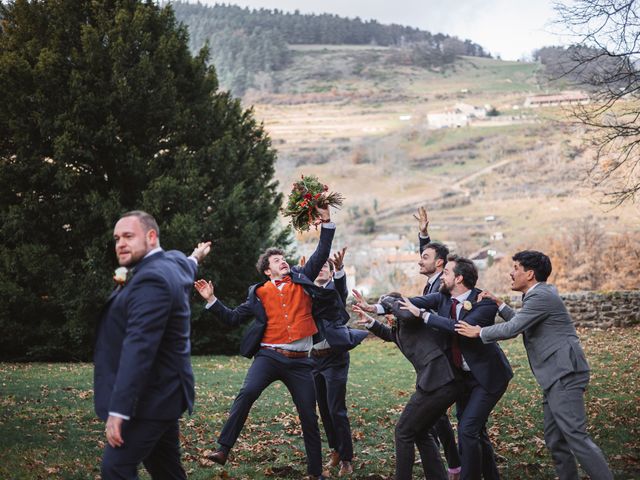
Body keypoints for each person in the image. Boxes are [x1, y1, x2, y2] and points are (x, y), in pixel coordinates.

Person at [194, 206, 348, 480]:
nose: (283, 262)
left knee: (309, 418)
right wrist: (210, 300)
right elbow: (231, 318)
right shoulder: (258, 293)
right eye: (276, 261)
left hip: (301, 363)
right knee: (247, 393)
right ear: (267, 271)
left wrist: (326, 221)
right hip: (268, 357)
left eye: (283, 258)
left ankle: (315, 473)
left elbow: (321, 253)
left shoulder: (302, 280)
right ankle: (223, 449)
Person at [455, 250, 613, 480]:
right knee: (555, 439)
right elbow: (523, 322)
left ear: (529, 274)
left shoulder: (541, 296)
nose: (511, 273)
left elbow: (513, 328)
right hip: (555, 375)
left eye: (516, 268)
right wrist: (499, 304)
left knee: (576, 437)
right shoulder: (538, 296)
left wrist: (479, 332)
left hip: (565, 373)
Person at [94, 210, 210, 479]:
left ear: (151, 236)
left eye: (128, 236)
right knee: (166, 471)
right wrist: (197, 256)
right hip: (167, 391)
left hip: (151, 397)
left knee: (116, 468)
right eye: (117, 238)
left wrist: (119, 410)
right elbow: (187, 263)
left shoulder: (152, 279)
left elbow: (140, 347)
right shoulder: (172, 263)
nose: (120, 243)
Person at [399, 255, 512, 480]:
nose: (443, 276)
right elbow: (412, 301)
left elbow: (460, 327)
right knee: (476, 431)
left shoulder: (484, 302)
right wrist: (378, 306)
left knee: (468, 430)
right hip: (463, 378)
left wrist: (423, 316)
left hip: (488, 377)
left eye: (447, 272)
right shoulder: (442, 297)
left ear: (459, 278)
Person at [353, 292, 464, 480]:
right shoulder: (400, 328)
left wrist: (384, 302)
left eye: (389, 310)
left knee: (403, 431)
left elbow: (406, 314)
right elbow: (391, 335)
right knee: (421, 431)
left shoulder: (412, 319)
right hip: (440, 382)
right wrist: (371, 322)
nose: (387, 315)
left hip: (439, 380)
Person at [310, 247, 367, 477]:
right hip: (313, 360)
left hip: (335, 359)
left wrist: (341, 269)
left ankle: (346, 459)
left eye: (327, 265)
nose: (322, 267)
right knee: (323, 408)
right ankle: (335, 450)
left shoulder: (333, 290)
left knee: (337, 410)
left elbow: (342, 291)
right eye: (318, 265)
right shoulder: (306, 292)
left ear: (331, 273)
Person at [414, 206, 462, 480]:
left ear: (441, 264)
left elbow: (435, 259)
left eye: (424, 257)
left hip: (444, 360)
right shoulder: (433, 281)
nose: (420, 261)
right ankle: (454, 464)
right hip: (433, 360)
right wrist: (423, 235)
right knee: (438, 416)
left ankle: (456, 465)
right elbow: (432, 257)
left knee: (437, 417)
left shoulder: (441, 286)